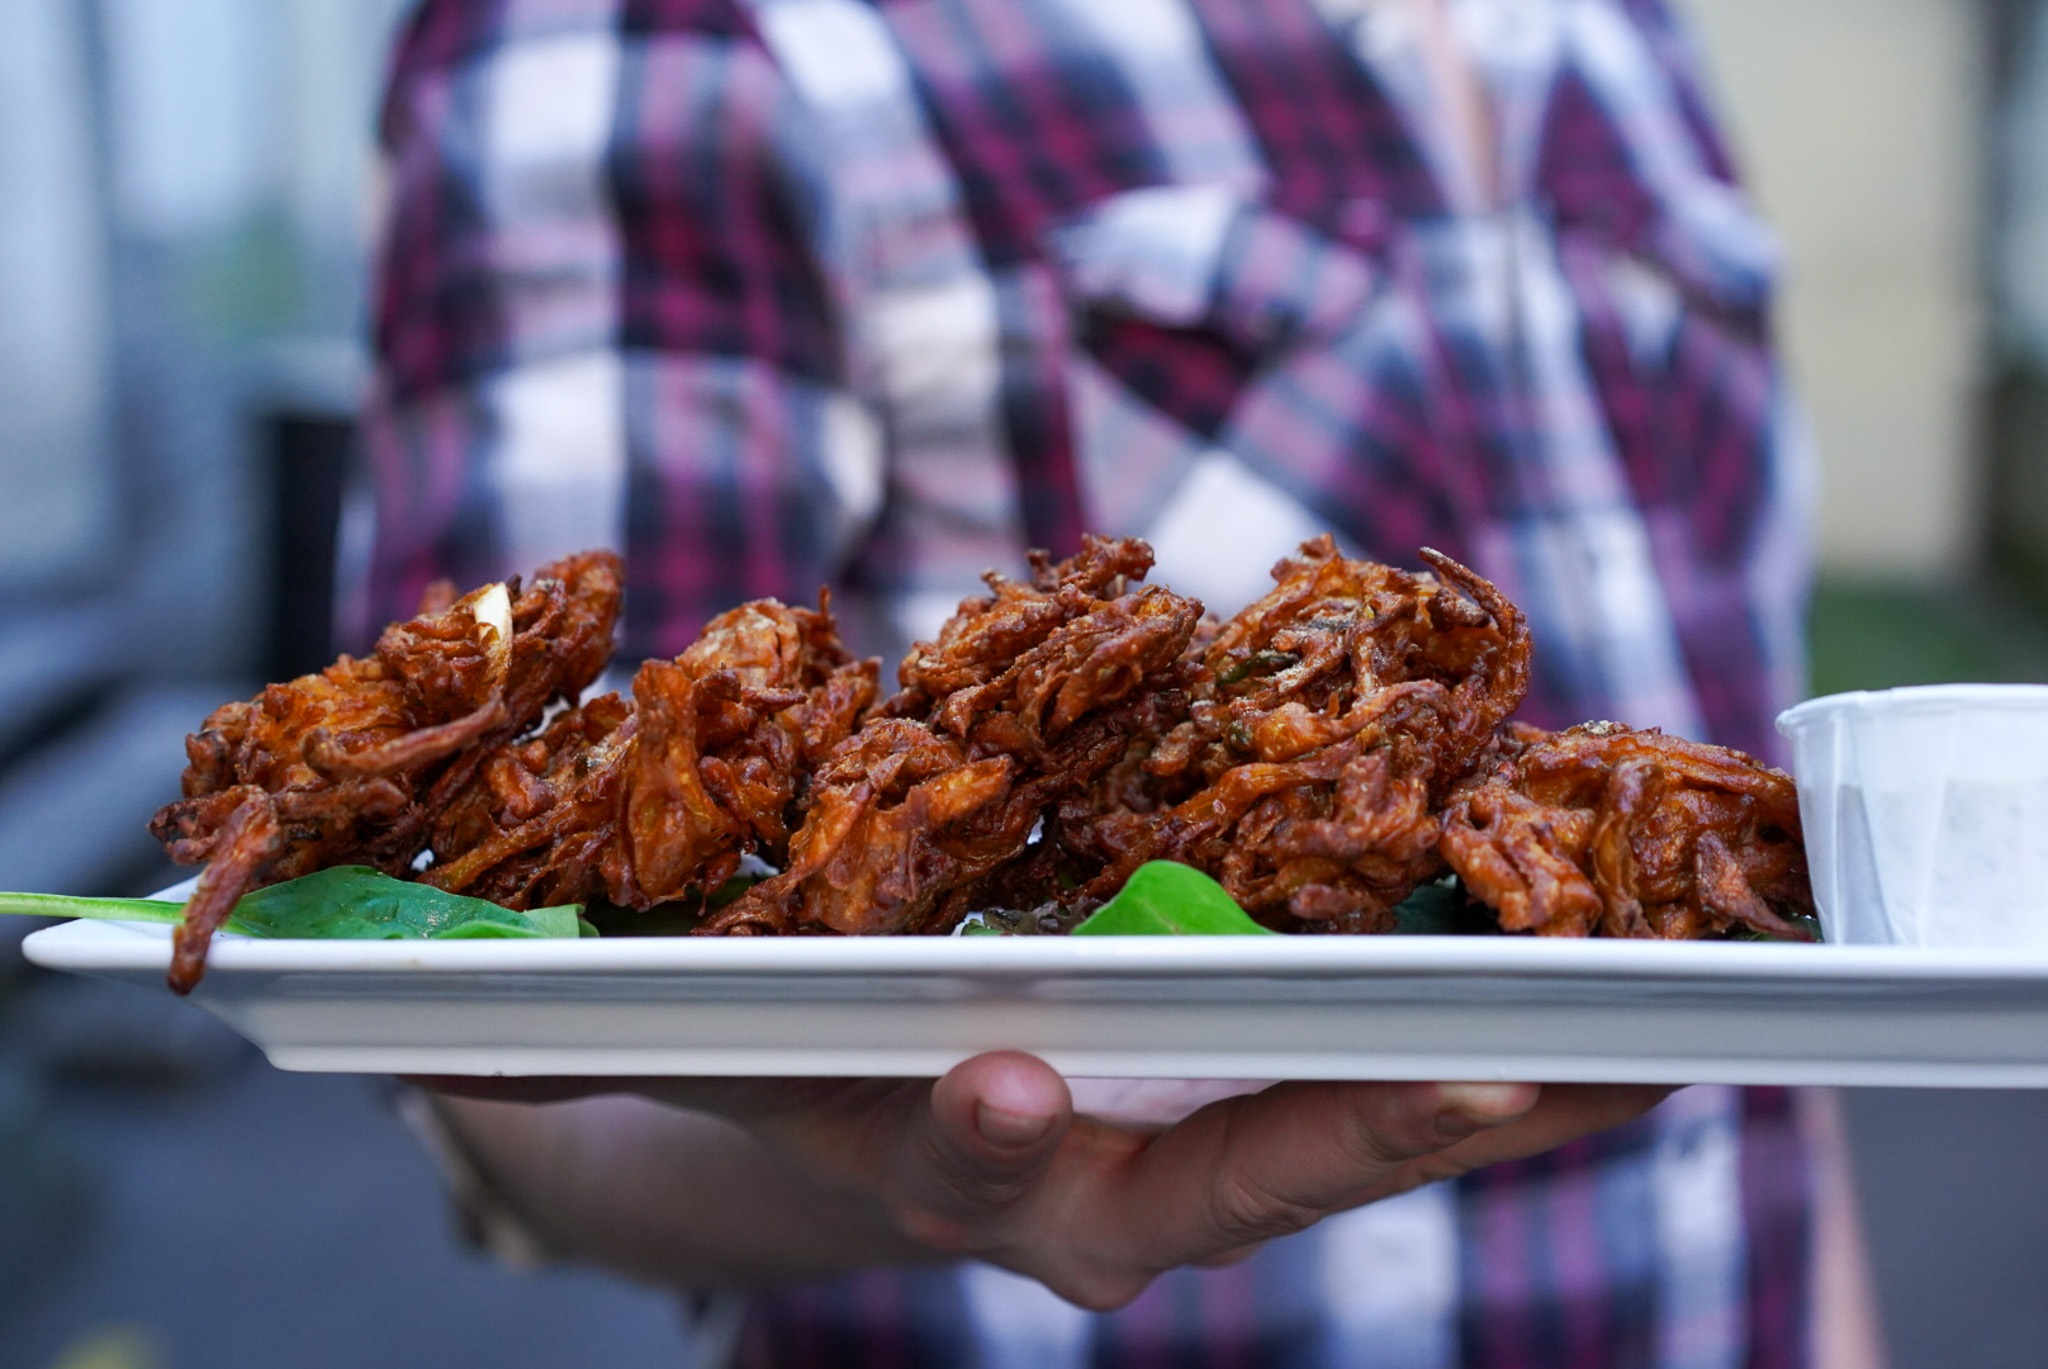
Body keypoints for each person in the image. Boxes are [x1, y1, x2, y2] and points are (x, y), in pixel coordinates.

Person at [350, 0, 1882, 1363]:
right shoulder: (651, 33)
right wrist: (895, 1165)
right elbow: (487, 933)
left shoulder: (1624, 35)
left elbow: (1747, 918)